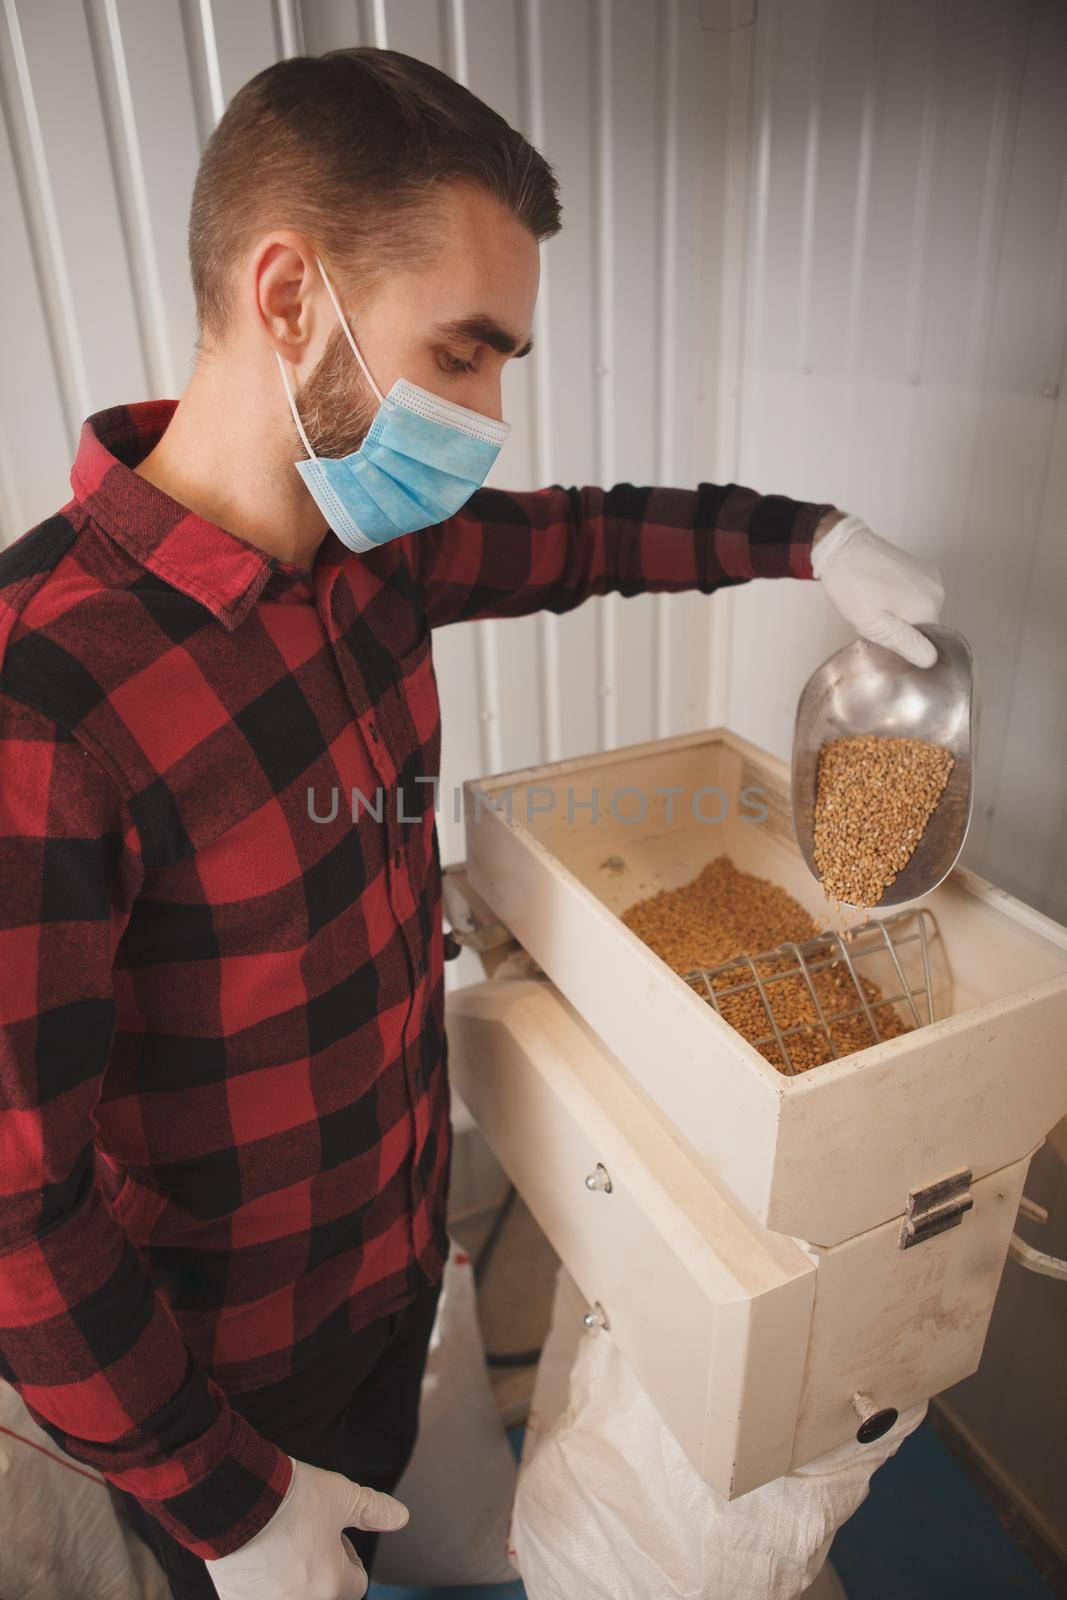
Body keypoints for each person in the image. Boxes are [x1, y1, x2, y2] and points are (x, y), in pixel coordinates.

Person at [0, 45, 943, 1600]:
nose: (490, 416)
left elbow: (584, 537)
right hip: (211, 1383)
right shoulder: (48, 690)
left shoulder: (366, 549)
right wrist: (226, 1501)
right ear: (286, 297)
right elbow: (21, 1208)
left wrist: (809, 542)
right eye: (465, 352)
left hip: (388, 1264)